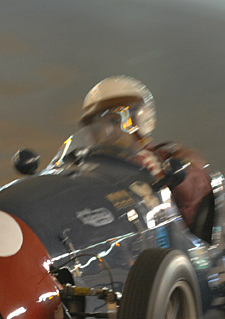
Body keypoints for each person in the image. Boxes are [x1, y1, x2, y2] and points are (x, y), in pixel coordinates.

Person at [79, 75, 213, 239]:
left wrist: (164, 177)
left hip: (169, 251)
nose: (106, 131)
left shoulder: (169, 159)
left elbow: (193, 200)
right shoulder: (87, 170)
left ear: (140, 118)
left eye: (114, 121)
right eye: (97, 126)